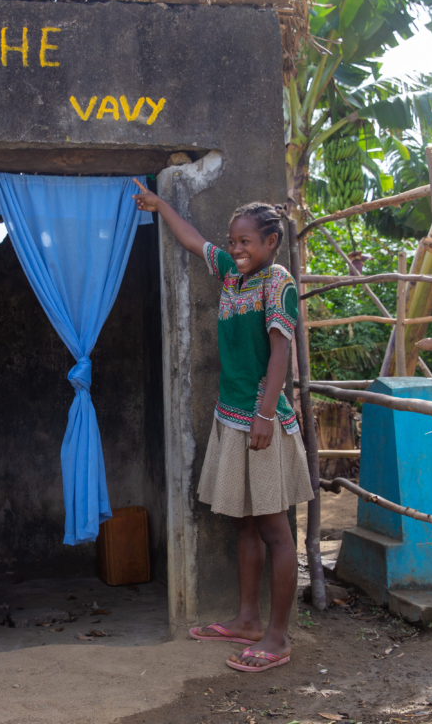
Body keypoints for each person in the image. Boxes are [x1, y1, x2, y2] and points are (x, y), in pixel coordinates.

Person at [132, 179, 313, 673]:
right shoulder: (232, 274)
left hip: (262, 420)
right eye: (233, 242)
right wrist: (160, 204)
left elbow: (281, 352)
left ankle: (277, 638)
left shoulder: (278, 284)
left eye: (245, 242)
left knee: (276, 530)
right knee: (243, 524)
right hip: (230, 418)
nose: (236, 249)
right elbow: (193, 240)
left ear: (271, 243)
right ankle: (248, 620)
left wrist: (263, 414)